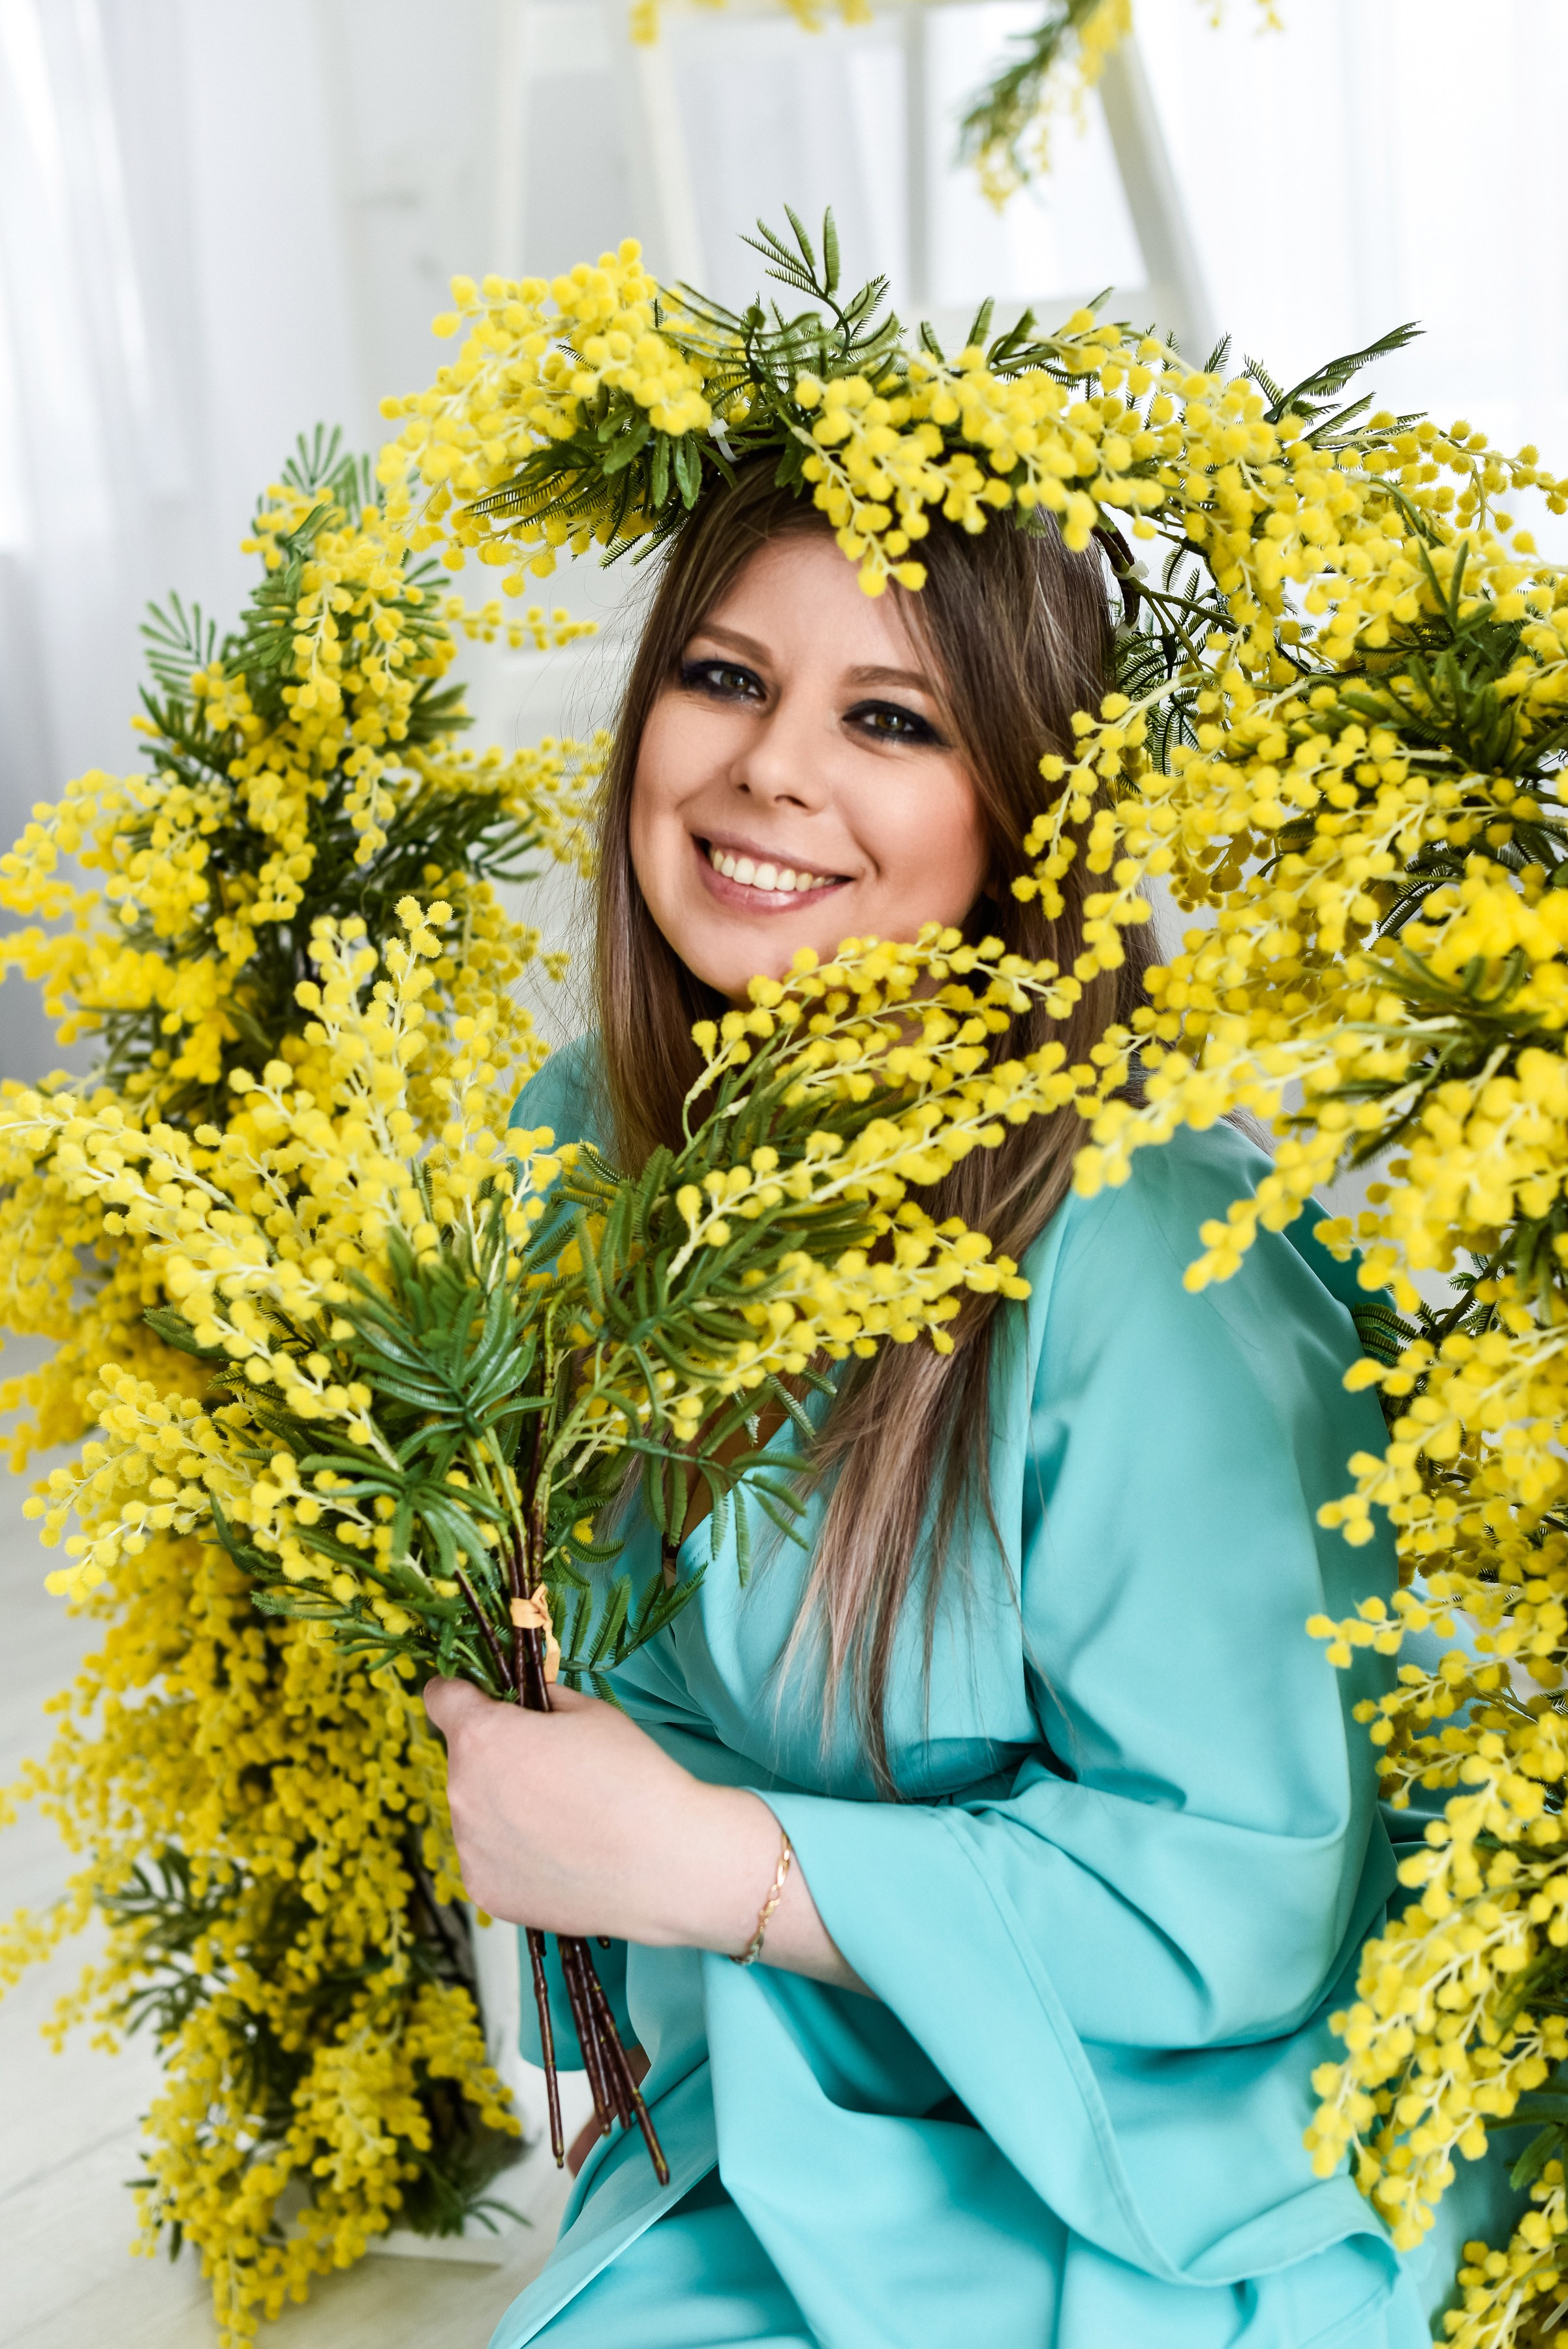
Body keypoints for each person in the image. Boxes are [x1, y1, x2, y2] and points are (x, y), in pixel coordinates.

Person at [423, 460, 1520, 2347]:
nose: (772, 769)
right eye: (720, 676)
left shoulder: (1144, 1255)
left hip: (1182, 2167)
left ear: (1027, 812)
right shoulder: (569, 1166)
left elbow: (1234, 1906)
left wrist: (708, 1868)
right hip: (798, 2112)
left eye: (887, 719)